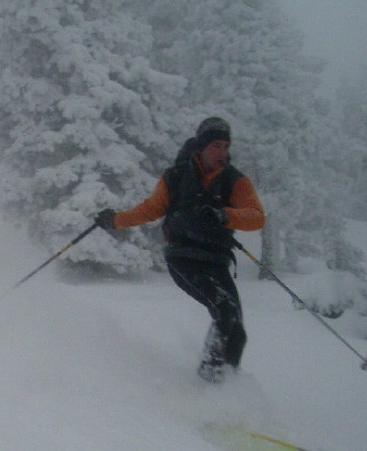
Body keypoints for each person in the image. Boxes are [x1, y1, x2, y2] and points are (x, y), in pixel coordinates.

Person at [95, 117, 265, 382]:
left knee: (236, 328)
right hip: (183, 258)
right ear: (202, 146)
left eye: (225, 146)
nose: (222, 152)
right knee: (226, 314)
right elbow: (151, 209)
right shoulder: (175, 176)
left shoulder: (235, 180)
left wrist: (224, 215)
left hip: (216, 260)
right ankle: (212, 385)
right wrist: (115, 220)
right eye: (216, 146)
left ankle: (225, 388)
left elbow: (256, 217)